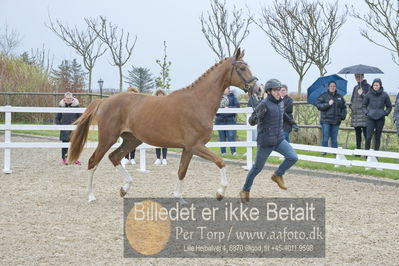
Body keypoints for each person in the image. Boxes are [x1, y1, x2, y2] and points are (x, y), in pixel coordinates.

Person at [240, 79, 298, 203]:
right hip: (266, 142)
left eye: (279, 89)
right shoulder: (264, 104)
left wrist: (293, 123)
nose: (278, 92)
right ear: (269, 91)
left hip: (279, 139)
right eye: (276, 90)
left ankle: (277, 175)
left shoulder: (280, 103)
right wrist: (256, 116)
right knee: (257, 168)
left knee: (293, 157)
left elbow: (284, 115)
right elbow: (251, 121)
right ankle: (245, 190)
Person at [316, 81, 347, 151]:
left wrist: (342, 116)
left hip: (336, 121)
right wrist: (328, 104)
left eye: (334, 86)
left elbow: (344, 108)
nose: (332, 87)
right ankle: (324, 152)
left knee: (334, 138)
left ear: (336, 87)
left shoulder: (340, 97)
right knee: (325, 137)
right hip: (326, 121)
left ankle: (335, 153)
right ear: (328, 87)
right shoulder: (323, 95)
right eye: (331, 86)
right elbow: (318, 106)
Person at [362, 78, 392, 151]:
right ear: (372, 85)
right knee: (368, 136)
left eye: (377, 85)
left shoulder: (385, 95)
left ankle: (376, 154)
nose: (376, 86)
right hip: (370, 118)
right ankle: (366, 154)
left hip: (380, 119)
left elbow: (389, 106)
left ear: (380, 86)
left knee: (378, 137)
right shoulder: (368, 94)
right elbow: (363, 106)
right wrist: (367, 112)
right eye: (374, 85)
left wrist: (385, 113)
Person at [55, 92, 81, 165]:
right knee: (64, 145)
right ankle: (64, 159)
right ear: (64, 99)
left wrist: (77, 125)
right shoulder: (61, 107)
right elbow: (57, 118)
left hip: (74, 129)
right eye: (67, 98)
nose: (69, 100)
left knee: (75, 145)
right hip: (64, 129)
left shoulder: (77, 107)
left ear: (72, 99)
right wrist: (60, 126)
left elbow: (81, 118)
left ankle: (75, 159)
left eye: (70, 98)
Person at [215, 87, 240, 156]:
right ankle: (223, 152)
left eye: (225, 88)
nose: (224, 89)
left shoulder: (233, 97)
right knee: (222, 137)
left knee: (231, 136)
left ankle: (233, 152)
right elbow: (215, 108)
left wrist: (229, 109)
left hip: (230, 120)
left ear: (228, 89)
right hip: (220, 120)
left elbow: (237, 107)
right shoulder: (218, 97)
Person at [350, 74, 370, 151]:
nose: (358, 78)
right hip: (356, 114)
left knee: (366, 134)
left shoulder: (368, 87)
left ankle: (366, 151)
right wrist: (351, 107)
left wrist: (362, 94)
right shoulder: (355, 87)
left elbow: (369, 100)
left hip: (364, 114)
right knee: (357, 134)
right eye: (356, 76)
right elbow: (352, 100)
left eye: (359, 76)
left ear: (363, 76)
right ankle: (358, 151)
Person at [121, 87, 139, 168]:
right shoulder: (125, 105)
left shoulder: (138, 106)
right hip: (126, 126)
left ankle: (132, 157)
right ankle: (126, 157)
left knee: (134, 142)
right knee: (125, 141)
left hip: (135, 126)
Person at [153, 88, 168, 165]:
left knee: (165, 142)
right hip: (156, 126)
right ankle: (158, 158)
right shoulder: (153, 105)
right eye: (158, 94)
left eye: (161, 94)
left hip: (164, 125)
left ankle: (164, 158)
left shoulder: (167, 105)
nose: (160, 95)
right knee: (157, 143)